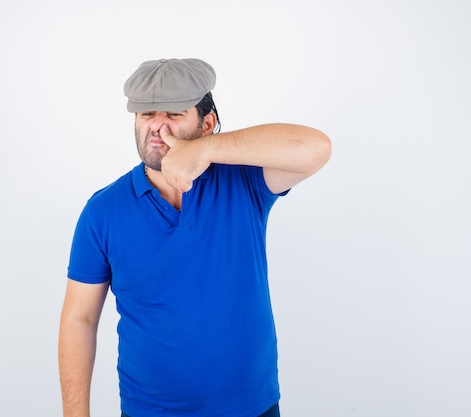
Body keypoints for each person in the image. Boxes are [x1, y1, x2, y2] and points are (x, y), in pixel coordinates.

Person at [58, 58, 331, 417]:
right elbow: (80, 319)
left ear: (207, 124)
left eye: (174, 114)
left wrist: (206, 150)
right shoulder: (103, 211)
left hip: (252, 408)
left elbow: (316, 147)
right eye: (146, 114)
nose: (157, 126)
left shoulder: (245, 181)